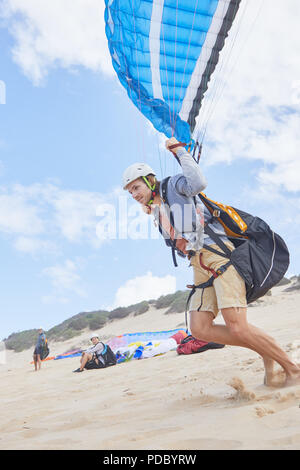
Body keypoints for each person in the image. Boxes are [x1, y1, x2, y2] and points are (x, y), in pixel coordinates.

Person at [122, 137, 300, 387]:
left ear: (150, 180)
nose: (134, 195)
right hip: (199, 265)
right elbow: (178, 243)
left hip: (220, 257)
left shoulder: (173, 186)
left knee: (237, 327)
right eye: (130, 192)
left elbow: (198, 182)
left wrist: (180, 151)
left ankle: (293, 369)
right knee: (199, 329)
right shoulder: (157, 212)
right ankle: (265, 351)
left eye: (136, 188)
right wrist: (180, 243)